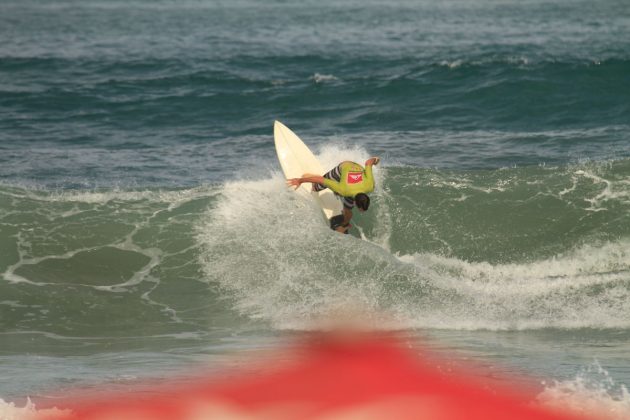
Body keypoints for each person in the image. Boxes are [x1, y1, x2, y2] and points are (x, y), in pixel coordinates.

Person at [287, 157, 380, 233]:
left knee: (348, 210)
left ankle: (344, 225)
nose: (362, 212)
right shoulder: (343, 190)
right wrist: (300, 180)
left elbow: (368, 162)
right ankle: (314, 176)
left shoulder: (370, 185)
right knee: (316, 187)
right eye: (360, 209)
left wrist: (375, 160)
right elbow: (320, 180)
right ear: (355, 202)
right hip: (344, 167)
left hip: (350, 182)